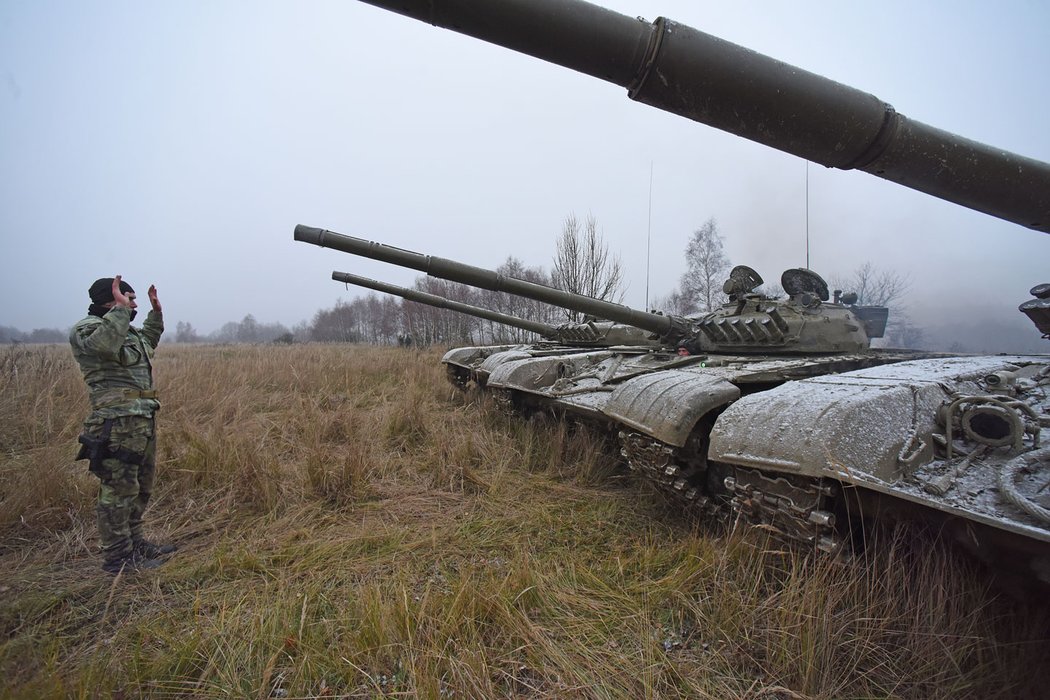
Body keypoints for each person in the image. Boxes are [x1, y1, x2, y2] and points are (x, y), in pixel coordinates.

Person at [70, 276, 176, 574]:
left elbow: (146, 344)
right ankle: (118, 558)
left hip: (141, 419)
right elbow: (104, 345)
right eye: (130, 299)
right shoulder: (88, 328)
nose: (134, 306)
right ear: (112, 299)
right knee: (118, 491)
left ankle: (136, 543)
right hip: (115, 423)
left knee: (141, 486)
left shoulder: (126, 332)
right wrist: (119, 309)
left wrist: (156, 314)